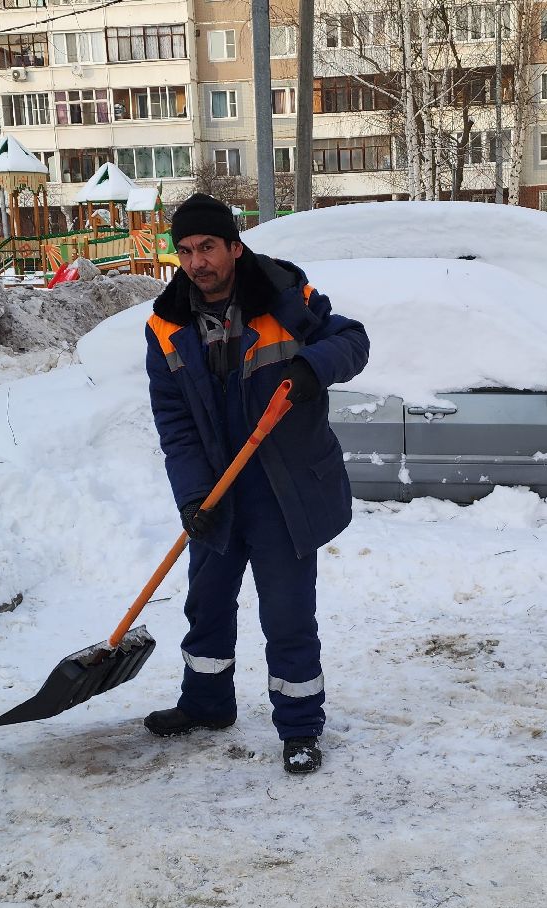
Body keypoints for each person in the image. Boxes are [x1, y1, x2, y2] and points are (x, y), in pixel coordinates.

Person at [141, 193, 369, 775]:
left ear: (234, 248)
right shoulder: (167, 327)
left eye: (208, 247)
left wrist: (310, 366)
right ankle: (206, 704)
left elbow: (353, 341)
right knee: (206, 605)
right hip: (218, 490)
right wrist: (193, 496)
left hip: (282, 491)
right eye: (186, 251)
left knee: (288, 614)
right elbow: (176, 424)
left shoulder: (285, 298)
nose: (197, 262)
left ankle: (299, 727)